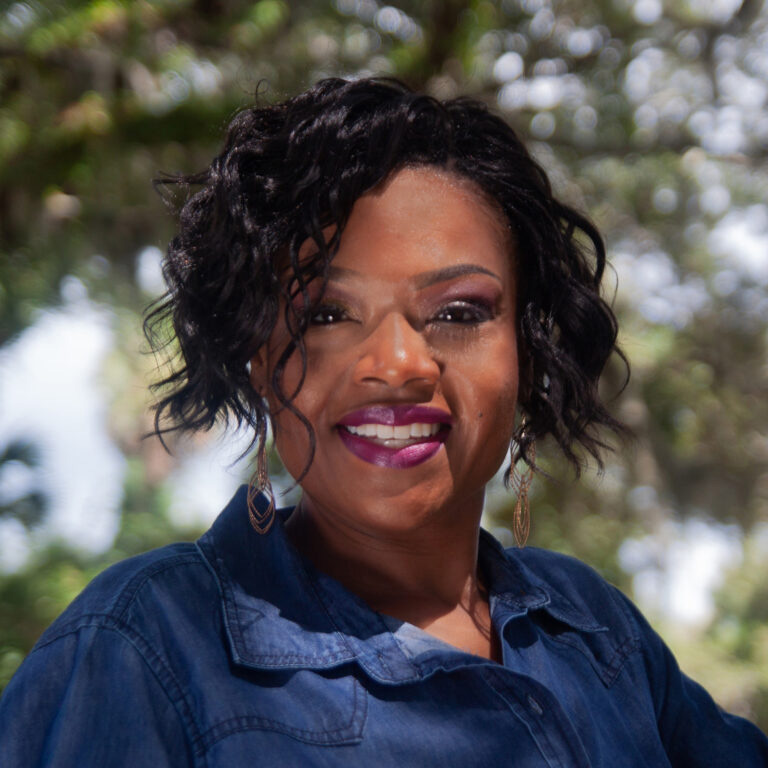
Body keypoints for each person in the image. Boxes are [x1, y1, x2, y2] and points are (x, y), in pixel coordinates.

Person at [0, 77, 766, 767]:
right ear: (260, 362)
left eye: (458, 312)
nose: (398, 365)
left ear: (526, 352)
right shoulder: (141, 648)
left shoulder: (594, 629)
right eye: (327, 314)